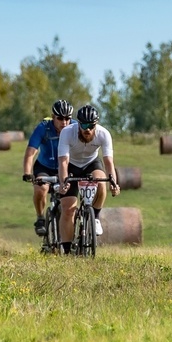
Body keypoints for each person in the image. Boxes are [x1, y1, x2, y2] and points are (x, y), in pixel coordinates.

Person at [57, 104, 120, 255]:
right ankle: (66, 251)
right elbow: (63, 162)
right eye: (84, 125)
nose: (87, 129)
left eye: (91, 125)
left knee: (101, 182)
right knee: (68, 209)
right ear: (78, 123)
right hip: (71, 165)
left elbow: (108, 163)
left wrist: (114, 183)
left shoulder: (104, 134)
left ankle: (95, 216)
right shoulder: (67, 133)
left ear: (96, 124)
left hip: (91, 163)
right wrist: (64, 181)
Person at [22, 99, 74, 236]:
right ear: (53, 116)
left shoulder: (74, 127)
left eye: (68, 118)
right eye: (60, 118)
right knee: (41, 188)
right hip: (45, 166)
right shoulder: (43, 128)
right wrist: (27, 173)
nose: (64, 122)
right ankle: (40, 218)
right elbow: (30, 153)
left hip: (67, 167)